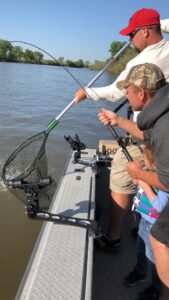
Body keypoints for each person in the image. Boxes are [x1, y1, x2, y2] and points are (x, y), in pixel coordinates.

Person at [75, 8, 169, 250]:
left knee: (121, 166)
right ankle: (147, 218)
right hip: (153, 128)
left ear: (146, 32)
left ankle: (114, 236)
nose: (129, 41)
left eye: (132, 34)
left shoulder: (141, 61)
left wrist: (87, 92)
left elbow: (118, 90)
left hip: (150, 135)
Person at [99, 62, 169, 299]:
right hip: (154, 197)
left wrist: (138, 175)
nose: (125, 96)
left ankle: (160, 289)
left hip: (163, 203)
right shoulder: (160, 113)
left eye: (127, 91)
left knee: (157, 241)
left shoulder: (166, 126)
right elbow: (145, 134)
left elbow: (168, 182)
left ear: (141, 93)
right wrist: (117, 120)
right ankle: (144, 274)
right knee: (144, 236)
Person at [123, 144, 169, 300]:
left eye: (147, 165)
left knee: (154, 258)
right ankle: (141, 271)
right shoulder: (149, 173)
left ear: (157, 165)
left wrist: (146, 186)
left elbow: (160, 207)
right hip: (144, 221)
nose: (145, 168)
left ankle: (157, 287)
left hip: (156, 227)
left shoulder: (164, 185)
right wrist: (139, 181)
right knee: (140, 248)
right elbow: (142, 186)